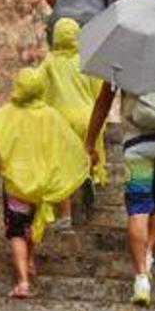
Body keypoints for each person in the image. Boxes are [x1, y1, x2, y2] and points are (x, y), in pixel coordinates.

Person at [0, 68, 89, 299]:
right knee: (34, 226)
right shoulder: (52, 116)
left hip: (16, 186)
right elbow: (67, 144)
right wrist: (84, 161)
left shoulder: (4, 115)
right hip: (42, 184)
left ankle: (23, 281)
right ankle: (28, 261)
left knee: (17, 231)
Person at [85, 84, 155, 306]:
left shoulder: (122, 58)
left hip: (137, 141)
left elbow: (102, 103)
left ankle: (141, 278)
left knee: (138, 207)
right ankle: (147, 252)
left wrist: (90, 142)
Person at [36, 17, 109, 187]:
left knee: (60, 158)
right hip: (87, 118)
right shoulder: (88, 61)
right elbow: (99, 94)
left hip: (59, 118)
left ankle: (66, 183)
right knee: (88, 150)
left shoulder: (49, 61)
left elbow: (36, 87)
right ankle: (89, 175)